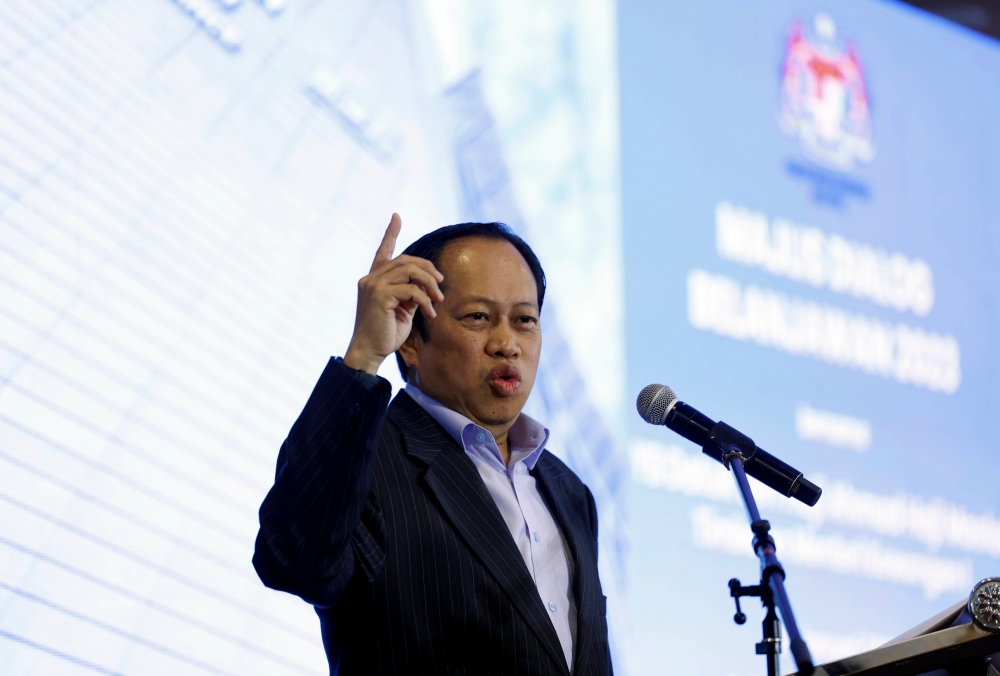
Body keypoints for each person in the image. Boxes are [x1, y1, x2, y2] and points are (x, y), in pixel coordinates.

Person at [253, 214, 612, 675]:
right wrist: (363, 354)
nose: (507, 344)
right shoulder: (369, 455)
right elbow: (294, 562)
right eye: (478, 317)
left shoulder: (569, 490)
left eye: (525, 320)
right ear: (411, 341)